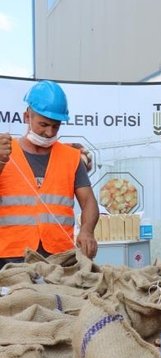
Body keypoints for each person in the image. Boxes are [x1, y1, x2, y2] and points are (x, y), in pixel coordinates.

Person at [0, 80, 99, 268]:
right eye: (43, 124)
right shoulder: (5, 152)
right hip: (9, 258)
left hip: (60, 259)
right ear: (26, 116)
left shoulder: (72, 157)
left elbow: (88, 202)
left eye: (56, 126)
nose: (49, 132)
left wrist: (87, 231)